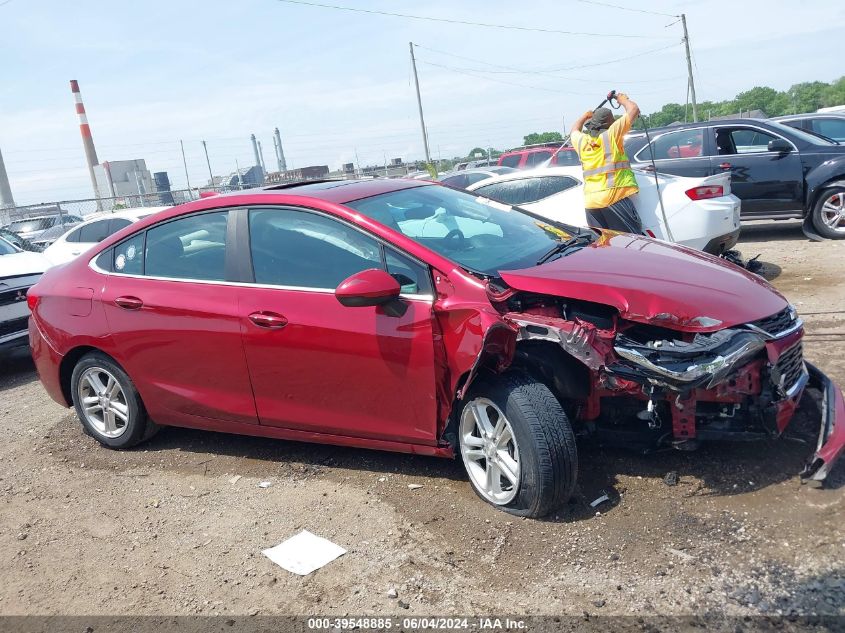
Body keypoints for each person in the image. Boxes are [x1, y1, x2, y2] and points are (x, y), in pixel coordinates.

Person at [570, 93, 643, 234]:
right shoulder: (611, 135)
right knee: (630, 243)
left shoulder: (581, 141)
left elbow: (574, 130)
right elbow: (633, 110)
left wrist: (584, 116)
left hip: (591, 204)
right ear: (610, 124)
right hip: (613, 198)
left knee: (605, 246)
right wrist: (623, 100)